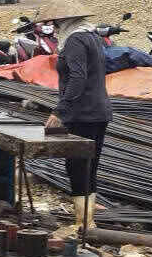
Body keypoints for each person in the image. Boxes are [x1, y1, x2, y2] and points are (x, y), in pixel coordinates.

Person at [44, 15, 111, 232]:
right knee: (89, 168)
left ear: (65, 23)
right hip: (98, 111)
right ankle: (87, 223)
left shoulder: (74, 41)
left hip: (82, 114)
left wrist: (60, 111)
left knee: (77, 168)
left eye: (55, 25)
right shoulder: (92, 36)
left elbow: (78, 78)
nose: (54, 29)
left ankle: (82, 224)